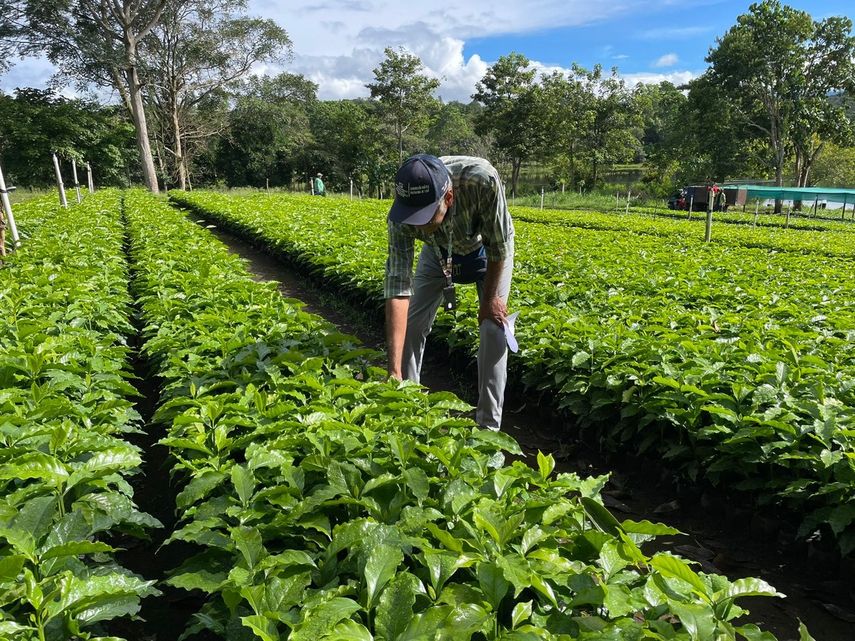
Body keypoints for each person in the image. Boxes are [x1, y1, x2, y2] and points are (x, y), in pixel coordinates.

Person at [385, 154, 515, 430]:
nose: (417, 226)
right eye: (412, 218)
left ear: (449, 198)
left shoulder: (481, 180)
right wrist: (393, 370)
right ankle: (408, 404)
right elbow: (398, 286)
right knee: (412, 323)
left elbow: (498, 246)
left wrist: (490, 300)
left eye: (425, 217)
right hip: (438, 251)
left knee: (493, 329)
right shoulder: (401, 216)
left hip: (486, 248)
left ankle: (488, 427)